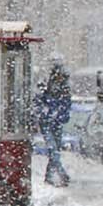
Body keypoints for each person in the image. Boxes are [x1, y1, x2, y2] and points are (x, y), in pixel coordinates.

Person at [36, 56, 72, 187]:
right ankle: (59, 174)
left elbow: (65, 105)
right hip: (50, 122)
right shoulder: (50, 87)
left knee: (54, 150)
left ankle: (52, 175)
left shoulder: (60, 89)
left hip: (53, 122)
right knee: (54, 150)